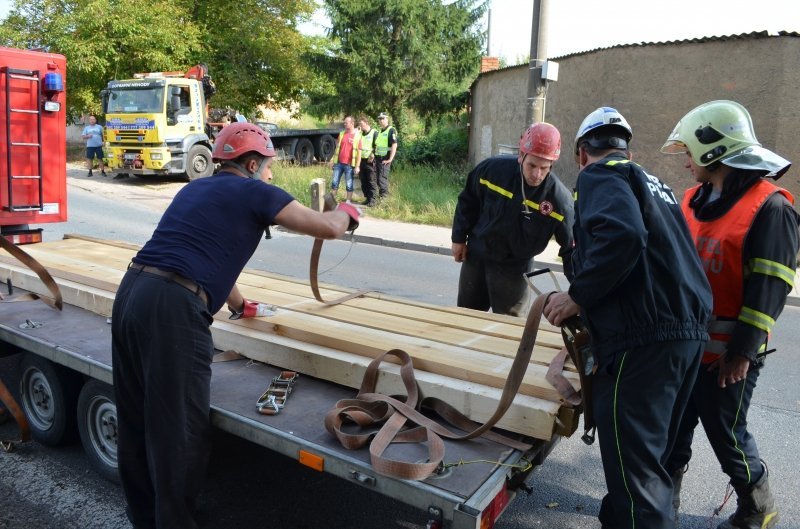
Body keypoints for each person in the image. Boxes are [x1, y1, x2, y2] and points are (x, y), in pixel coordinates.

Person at [111, 122, 360, 529]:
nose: (270, 174)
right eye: (267, 166)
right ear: (249, 162)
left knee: (136, 420)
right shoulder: (255, 192)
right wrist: (348, 212)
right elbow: (328, 227)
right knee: (180, 432)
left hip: (133, 292)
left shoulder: (193, 189)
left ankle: (144, 519)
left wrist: (241, 305)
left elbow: (202, 254)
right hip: (173, 311)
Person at [543, 106, 712, 529]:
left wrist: (577, 297)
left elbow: (624, 235)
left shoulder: (600, 176)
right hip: (685, 336)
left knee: (637, 479)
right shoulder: (657, 185)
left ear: (583, 153)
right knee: (647, 461)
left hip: (642, 342)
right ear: (626, 150)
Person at [661, 100, 798, 529]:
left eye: (690, 153)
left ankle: (759, 508)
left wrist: (741, 353)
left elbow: (769, 290)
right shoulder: (690, 200)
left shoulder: (771, 209)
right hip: (684, 351)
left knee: (727, 438)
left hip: (728, 359)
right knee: (672, 432)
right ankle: (664, 502)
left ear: (713, 152)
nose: (686, 163)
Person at [451, 122, 574, 316]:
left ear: (552, 164)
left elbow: (571, 249)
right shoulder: (491, 171)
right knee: (467, 317)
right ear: (521, 156)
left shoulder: (559, 201)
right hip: (478, 258)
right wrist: (458, 238)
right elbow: (468, 201)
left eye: (544, 167)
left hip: (514, 269)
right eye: (531, 165)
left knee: (511, 327)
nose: (536, 174)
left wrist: (580, 293)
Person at [328, 116, 362, 203]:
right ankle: (332, 202)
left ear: (352, 124)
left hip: (349, 165)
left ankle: (348, 201)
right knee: (334, 183)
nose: (344, 124)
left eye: (346, 123)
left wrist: (357, 166)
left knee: (349, 184)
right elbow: (337, 148)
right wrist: (332, 160)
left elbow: (359, 153)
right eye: (344, 123)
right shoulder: (342, 134)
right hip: (339, 163)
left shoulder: (358, 136)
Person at [374, 112, 398, 199]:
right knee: (378, 179)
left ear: (387, 119)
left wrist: (390, 159)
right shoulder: (380, 131)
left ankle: (384, 200)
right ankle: (381, 198)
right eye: (379, 119)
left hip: (385, 159)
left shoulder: (391, 130)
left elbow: (394, 145)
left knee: (382, 180)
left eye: (383, 118)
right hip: (378, 159)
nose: (381, 120)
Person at [358, 115, 379, 207]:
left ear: (366, 123)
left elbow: (378, 146)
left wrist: (373, 154)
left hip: (370, 161)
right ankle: (367, 198)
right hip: (361, 161)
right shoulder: (360, 134)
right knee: (363, 180)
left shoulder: (374, 133)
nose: (360, 126)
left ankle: (373, 200)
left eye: (361, 124)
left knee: (371, 180)